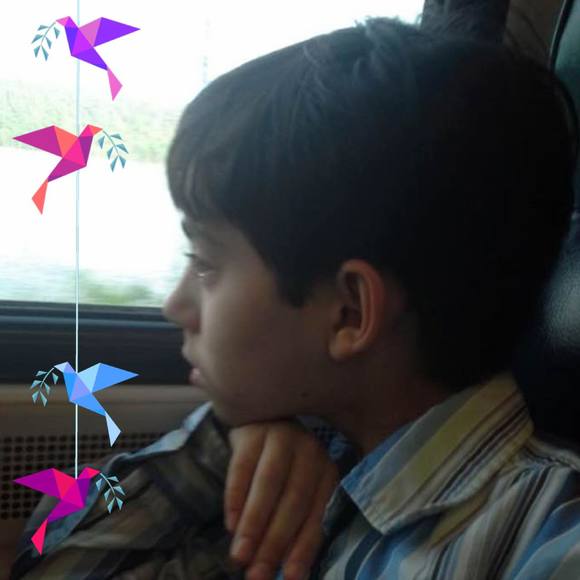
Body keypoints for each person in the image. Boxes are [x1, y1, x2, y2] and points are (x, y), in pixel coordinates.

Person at [11, 14, 580, 580]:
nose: (174, 307)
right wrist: (220, 450)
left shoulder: (546, 545)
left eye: (205, 264)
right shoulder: (280, 470)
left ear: (349, 313)